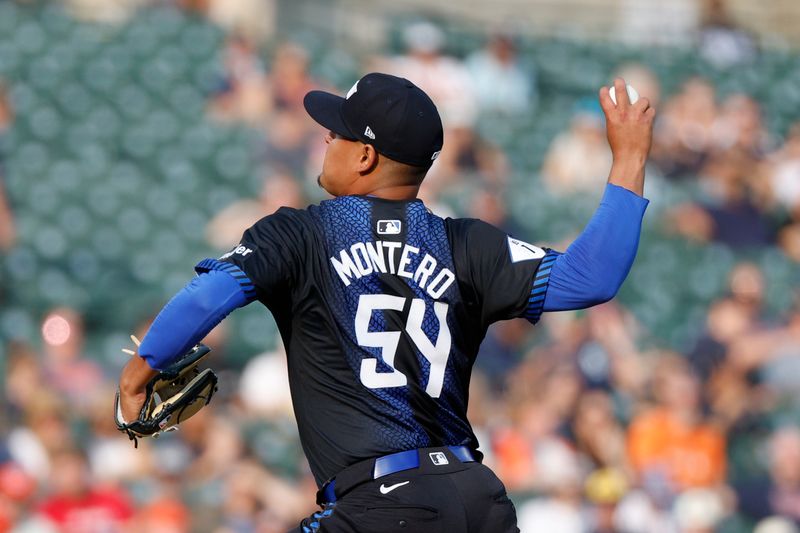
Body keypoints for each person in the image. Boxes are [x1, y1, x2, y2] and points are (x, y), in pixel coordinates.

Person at [117, 73, 654, 532]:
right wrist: (629, 157)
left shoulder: (301, 234)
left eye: (337, 133)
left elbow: (208, 294)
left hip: (382, 504)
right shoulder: (468, 244)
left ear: (366, 155)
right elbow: (593, 278)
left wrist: (137, 375)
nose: (326, 139)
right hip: (477, 498)